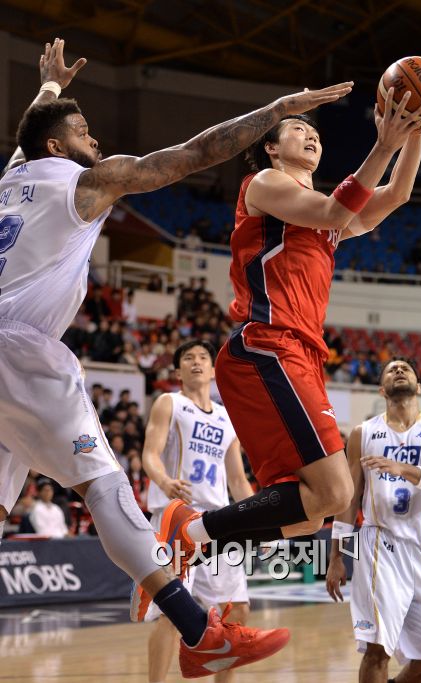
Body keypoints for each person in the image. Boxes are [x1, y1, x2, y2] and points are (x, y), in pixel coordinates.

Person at [0, 38, 347, 677]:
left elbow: (30, 137)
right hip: (19, 349)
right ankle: (198, 630)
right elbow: (190, 156)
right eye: (82, 131)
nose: (95, 140)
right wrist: (277, 109)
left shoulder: (14, 175)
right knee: (102, 485)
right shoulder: (88, 181)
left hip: (7, 359)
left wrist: (48, 89)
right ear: (60, 148)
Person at [156, 85, 421, 576]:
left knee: (310, 514)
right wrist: (383, 145)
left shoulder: (326, 220)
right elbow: (334, 211)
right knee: (337, 490)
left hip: (299, 354)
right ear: (271, 147)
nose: (309, 135)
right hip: (266, 345)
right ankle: (190, 532)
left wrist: (416, 130)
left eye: (315, 133)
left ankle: (191, 547)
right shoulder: (264, 184)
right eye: (298, 129)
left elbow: (398, 194)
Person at [326, 358, 421, 683]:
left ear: (420, 386)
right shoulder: (363, 432)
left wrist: (403, 469)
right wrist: (336, 558)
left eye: (406, 368)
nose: (399, 370)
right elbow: (348, 500)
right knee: (377, 650)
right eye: (391, 369)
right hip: (378, 546)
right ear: (382, 389)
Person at [132, 339, 252, 683]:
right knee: (172, 613)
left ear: (213, 370)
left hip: (218, 519)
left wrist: (262, 523)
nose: (197, 362)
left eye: (203, 357)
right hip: (177, 515)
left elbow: (238, 480)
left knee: (236, 609)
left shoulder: (228, 419)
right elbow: (149, 454)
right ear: (178, 370)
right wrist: (165, 481)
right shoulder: (169, 402)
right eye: (188, 357)